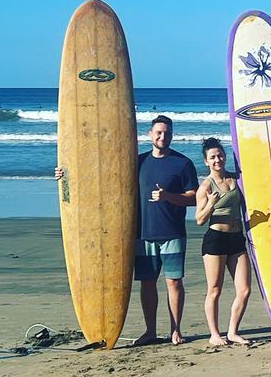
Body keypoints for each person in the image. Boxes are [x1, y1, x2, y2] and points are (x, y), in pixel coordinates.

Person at [59, 116, 198, 344]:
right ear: (150, 134)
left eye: (167, 133)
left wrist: (168, 197)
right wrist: (66, 174)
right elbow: (101, 176)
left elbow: (193, 198)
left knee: (174, 282)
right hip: (142, 234)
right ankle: (150, 331)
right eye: (159, 133)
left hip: (173, 232)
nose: (163, 137)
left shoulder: (182, 164)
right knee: (147, 282)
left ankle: (176, 330)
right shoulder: (137, 162)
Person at [193, 137, 251, 346]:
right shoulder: (205, 186)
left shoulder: (236, 179)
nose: (217, 159)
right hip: (215, 240)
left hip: (237, 239)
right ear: (206, 161)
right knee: (214, 290)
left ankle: (233, 332)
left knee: (244, 290)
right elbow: (200, 219)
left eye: (220, 155)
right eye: (212, 157)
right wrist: (210, 203)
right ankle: (214, 334)